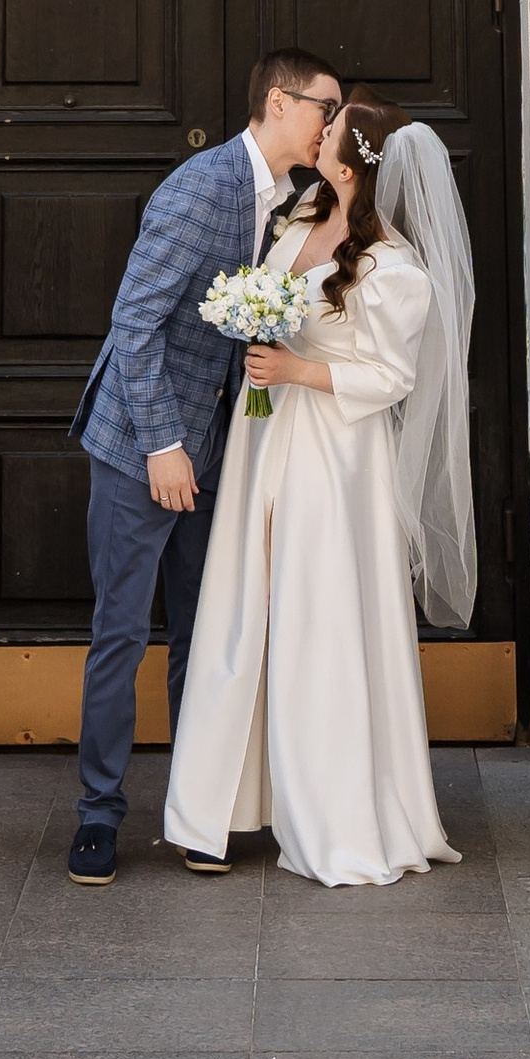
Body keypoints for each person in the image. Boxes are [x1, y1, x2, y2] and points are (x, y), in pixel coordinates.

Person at [164, 96, 474, 889]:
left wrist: (298, 368)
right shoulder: (301, 219)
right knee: (243, 608)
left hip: (334, 457)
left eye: (329, 128)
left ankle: (333, 811)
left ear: (347, 164)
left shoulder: (395, 267)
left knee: (315, 615)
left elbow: (391, 376)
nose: (317, 129)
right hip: (266, 437)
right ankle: (216, 813)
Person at [65, 51, 342, 885]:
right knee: (120, 633)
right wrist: (163, 446)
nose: (333, 124)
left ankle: (197, 812)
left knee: (204, 632)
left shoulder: (295, 199)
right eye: (325, 108)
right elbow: (135, 323)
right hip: (140, 447)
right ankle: (97, 817)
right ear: (278, 102)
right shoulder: (198, 189)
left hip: (221, 449)